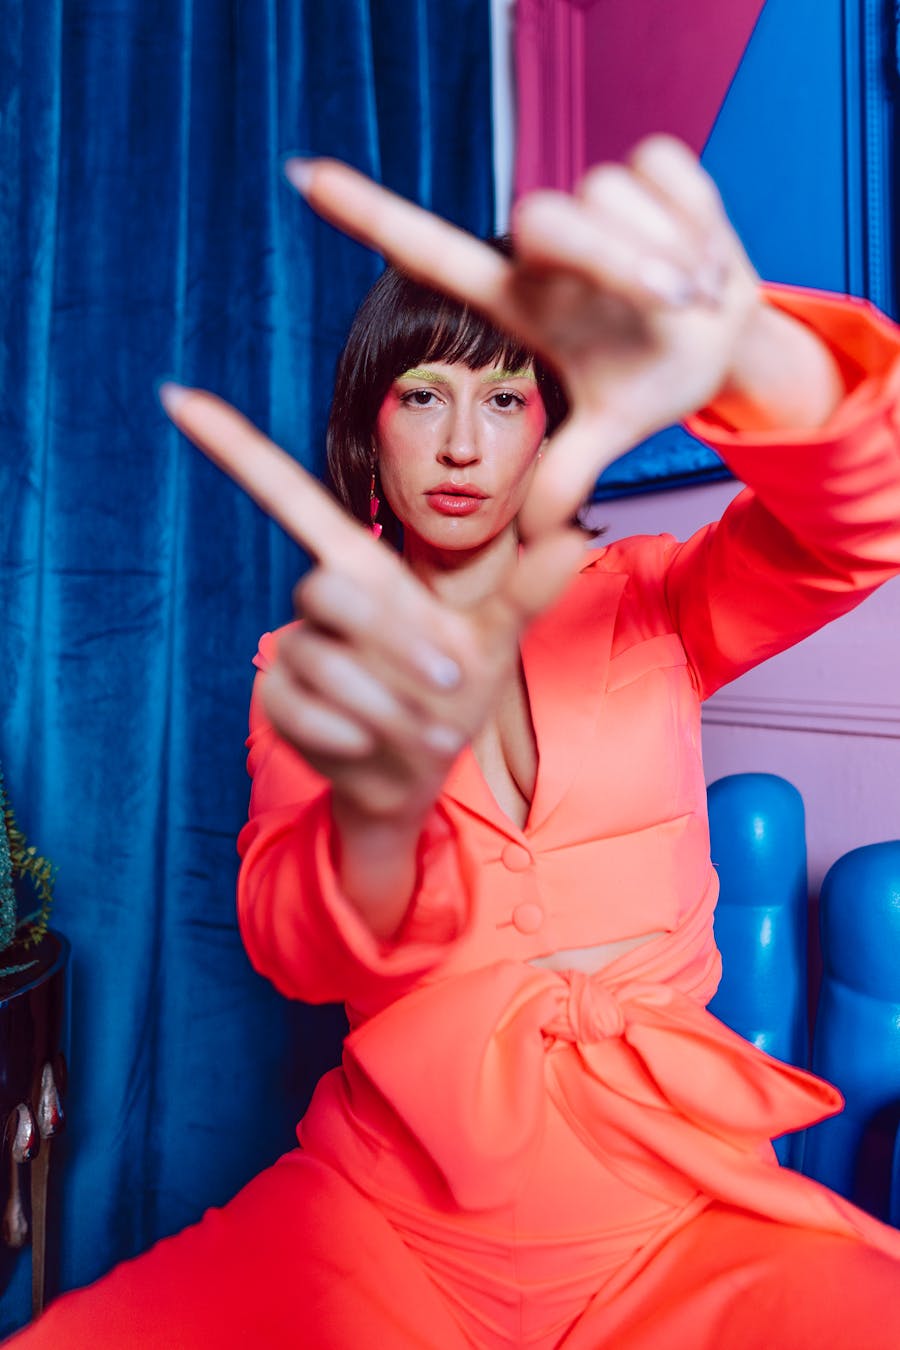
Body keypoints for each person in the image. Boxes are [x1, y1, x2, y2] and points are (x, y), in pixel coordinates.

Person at [11, 136, 900, 1348]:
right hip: (390, 1225)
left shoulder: (658, 596)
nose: (464, 444)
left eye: (505, 398)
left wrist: (756, 361)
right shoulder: (309, 668)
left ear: (550, 431)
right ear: (370, 436)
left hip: (680, 1216)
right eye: (423, 395)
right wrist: (377, 832)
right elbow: (288, 937)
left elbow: (861, 525)